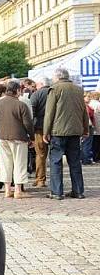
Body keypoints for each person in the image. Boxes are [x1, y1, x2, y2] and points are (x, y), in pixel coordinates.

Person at [43, 68, 90, 200]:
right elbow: (83, 111)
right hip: (75, 131)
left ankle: (57, 192)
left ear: (57, 77)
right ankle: (78, 191)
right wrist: (85, 128)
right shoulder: (78, 90)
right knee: (75, 162)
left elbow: (49, 113)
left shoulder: (54, 89)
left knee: (56, 161)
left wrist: (46, 132)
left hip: (58, 131)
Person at [0, 80, 35, 199]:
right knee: (19, 163)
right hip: (18, 136)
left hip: (1, 136)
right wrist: (32, 137)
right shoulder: (21, 105)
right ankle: (18, 190)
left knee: (5, 163)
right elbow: (28, 124)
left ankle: (7, 190)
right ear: (18, 91)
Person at [29, 77, 51, 187]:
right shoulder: (54, 92)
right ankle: (56, 180)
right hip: (54, 128)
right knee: (55, 155)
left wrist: (30, 129)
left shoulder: (36, 94)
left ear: (41, 84)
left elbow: (31, 112)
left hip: (39, 128)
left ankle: (40, 179)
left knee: (41, 154)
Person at [81, 94, 95, 165]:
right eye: (88, 97)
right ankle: (86, 159)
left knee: (85, 143)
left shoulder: (86, 106)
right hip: (87, 126)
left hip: (87, 126)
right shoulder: (85, 106)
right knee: (86, 143)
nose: (89, 99)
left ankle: (85, 158)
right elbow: (87, 117)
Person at [89, 92, 100, 161]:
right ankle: (97, 157)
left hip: (92, 125)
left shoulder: (89, 104)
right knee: (98, 143)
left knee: (92, 142)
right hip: (98, 125)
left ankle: (93, 156)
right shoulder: (98, 104)